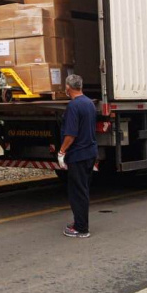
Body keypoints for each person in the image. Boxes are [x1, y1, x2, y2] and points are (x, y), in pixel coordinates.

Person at [58, 74, 98, 238]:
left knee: (77, 192)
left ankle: (81, 228)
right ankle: (80, 223)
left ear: (68, 88)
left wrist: (62, 151)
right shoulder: (89, 103)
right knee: (83, 190)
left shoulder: (73, 106)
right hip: (89, 153)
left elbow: (71, 134)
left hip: (78, 155)